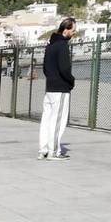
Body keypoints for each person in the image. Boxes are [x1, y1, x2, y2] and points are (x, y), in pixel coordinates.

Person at [39, 18, 77, 161]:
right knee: (57, 121)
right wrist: (71, 81)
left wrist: (51, 79)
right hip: (60, 89)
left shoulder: (50, 45)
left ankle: (43, 149)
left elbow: (45, 68)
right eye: (73, 30)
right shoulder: (62, 45)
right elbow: (65, 68)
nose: (73, 34)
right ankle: (53, 152)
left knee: (46, 120)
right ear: (66, 29)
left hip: (50, 88)